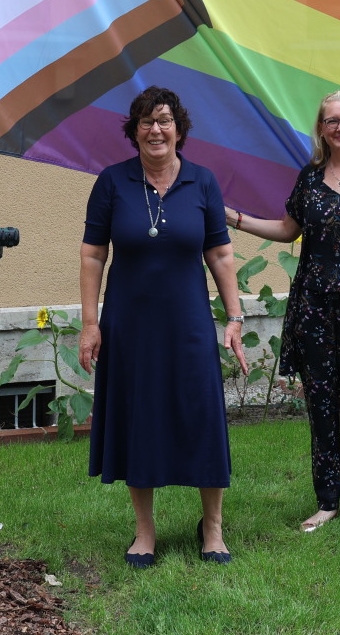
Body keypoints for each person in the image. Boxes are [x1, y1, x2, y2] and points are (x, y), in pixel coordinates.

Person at [77, 87, 248, 568]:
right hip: (130, 324)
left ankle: (212, 527)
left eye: (165, 120)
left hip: (189, 322)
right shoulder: (112, 182)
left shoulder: (203, 181)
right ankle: (144, 531)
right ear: (133, 131)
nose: (156, 130)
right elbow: (93, 254)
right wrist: (91, 323)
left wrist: (234, 317)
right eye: (146, 122)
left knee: (201, 414)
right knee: (139, 415)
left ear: (180, 128)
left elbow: (220, 253)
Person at [226, 92, 340, 532]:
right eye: (332, 121)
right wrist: (234, 218)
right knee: (322, 408)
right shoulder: (309, 179)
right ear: (322, 128)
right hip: (315, 311)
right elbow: (289, 229)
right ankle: (327, 502)